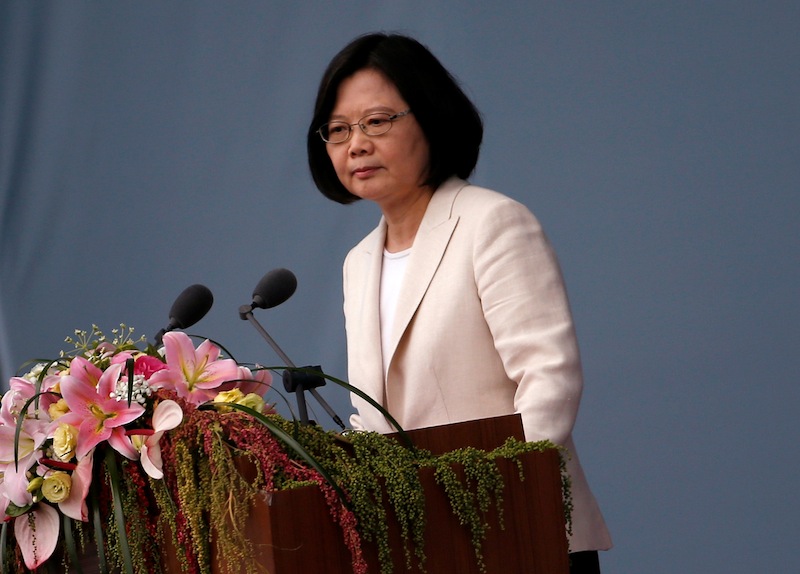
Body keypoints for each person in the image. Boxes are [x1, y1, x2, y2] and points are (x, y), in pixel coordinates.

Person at [307, 32, 612, 573]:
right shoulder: (359, 262)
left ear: (429, 116)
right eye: (338, 130)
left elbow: (549, 383)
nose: (355, 144)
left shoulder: (491, 223)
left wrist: (483, 502)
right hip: (422, 547)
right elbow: (376, 417)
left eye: (377, 121)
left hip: (520, 531)